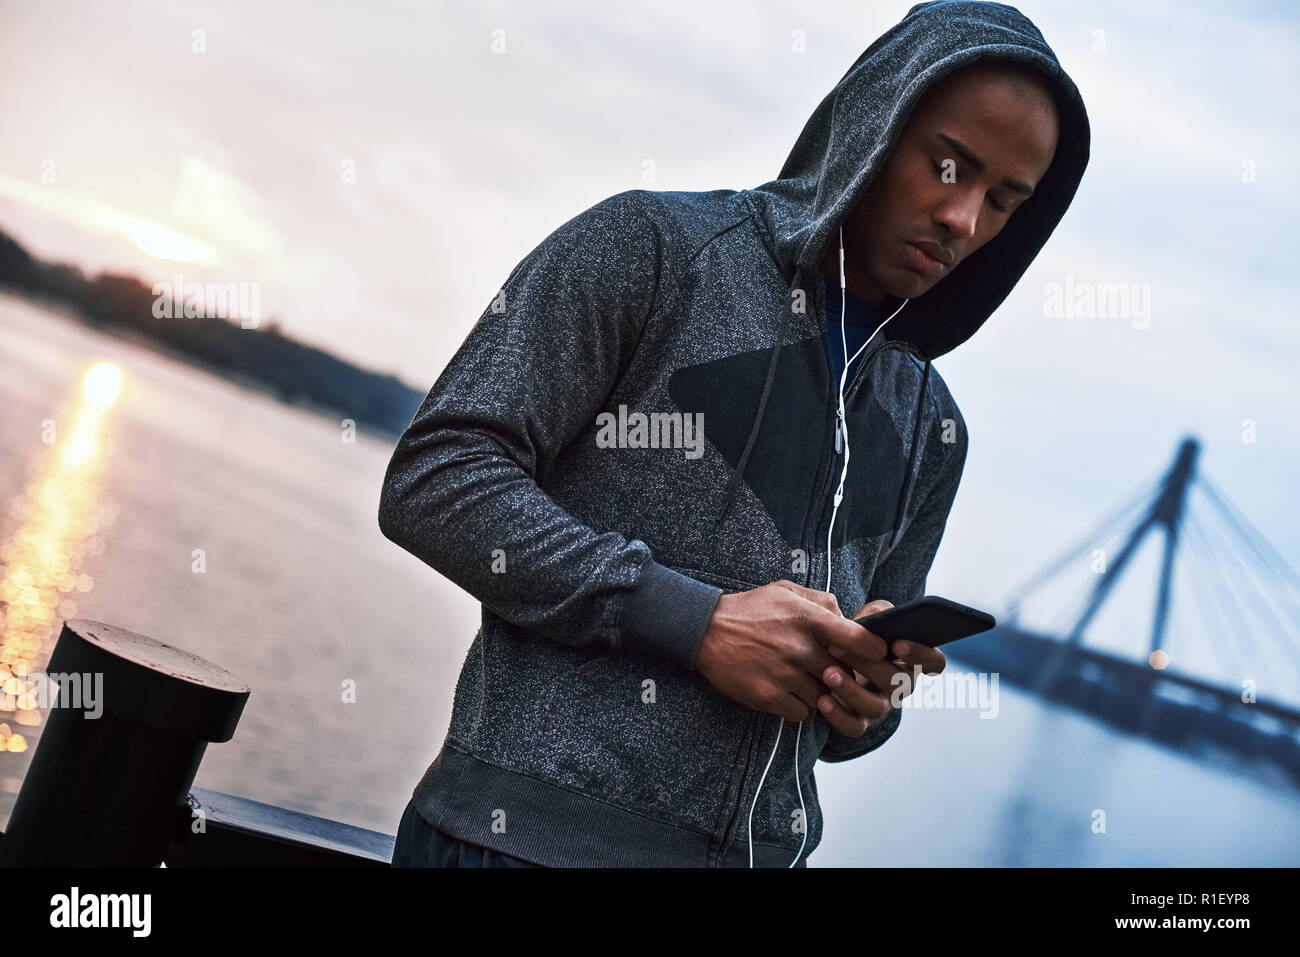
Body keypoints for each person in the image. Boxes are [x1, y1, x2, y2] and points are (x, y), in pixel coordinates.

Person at [380, 0, 1089, 868]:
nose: (964, 219)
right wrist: (698, 621)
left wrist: (865, 696)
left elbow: (845, 733)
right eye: (949, 166)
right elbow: (435, 478)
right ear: (872, 123)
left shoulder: (933, 430)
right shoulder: (650, 249)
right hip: (517, 848)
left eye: (1004, 202)